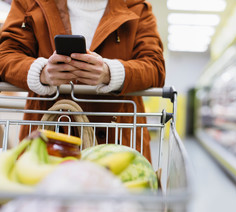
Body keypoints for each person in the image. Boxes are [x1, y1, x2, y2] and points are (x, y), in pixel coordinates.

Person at [0, 0, 166, 162]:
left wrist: (109, 73)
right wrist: (42, 73)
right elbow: (5, 55)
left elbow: (155, 66)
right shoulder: (29, 3)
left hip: (117, 144)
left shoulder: (137, 7)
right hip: (47, 142)